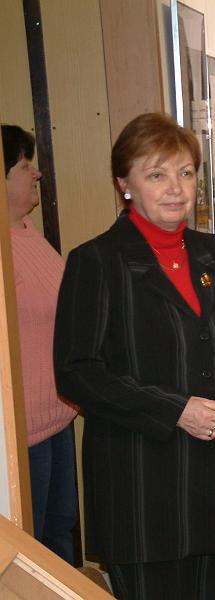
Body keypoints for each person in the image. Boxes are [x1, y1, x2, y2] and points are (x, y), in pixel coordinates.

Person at [54, 113, 215, 599]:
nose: (175, 188)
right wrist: (175, 410)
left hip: (207, 482)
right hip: (139, 488)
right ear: (124, 184)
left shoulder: (210, 252)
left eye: (185, 172)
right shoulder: (96, 261)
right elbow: (77, 373)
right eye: (156, 174)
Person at [3, 124, 77, 564]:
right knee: (32, 553)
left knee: (60, 533)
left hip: (57, 415)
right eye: (23, 166)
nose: (36, 173)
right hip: (21, 431)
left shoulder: (28, 230)